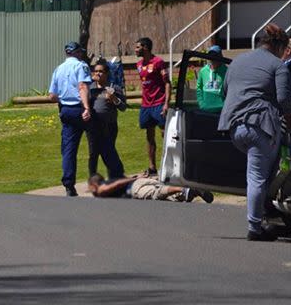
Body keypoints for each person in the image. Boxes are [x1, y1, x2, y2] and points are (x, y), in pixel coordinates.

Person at [218, 23, 291, 242]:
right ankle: (255, 226)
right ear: (278, 46)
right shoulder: (278, 66)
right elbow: (282, 100)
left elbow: (225, 91)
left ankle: (264, 214)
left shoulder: (238, 61)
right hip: (261, 126)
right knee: (258, 177)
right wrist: (290, 117)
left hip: (234, 127)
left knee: (257, 174)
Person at [49, 41, 92, 197]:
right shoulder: (81, 66)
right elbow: (83, 86)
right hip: (80, 108)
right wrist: (87, 107)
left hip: (66, 110)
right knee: (98, 143)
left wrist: (63, 101)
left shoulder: (58, 69)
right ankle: (109, 177)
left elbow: (52, 96)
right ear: (77, 53)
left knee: (68, 149)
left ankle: (69, 185)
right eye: (80, 52)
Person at [135, 37, 170, 177]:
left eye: (138, 47)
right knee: (149, 136)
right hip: (145, 106)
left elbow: (167, 83)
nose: (135, 50)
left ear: (146, 48)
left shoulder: (158, 62)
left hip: (159, 103)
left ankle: (169, 165)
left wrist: (166, 103)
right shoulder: (138, 65)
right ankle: (152, 167)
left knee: (166, 134)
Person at [87, 59, 126, 179]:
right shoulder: (89, 89)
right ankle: (93, 178)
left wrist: (114, 99)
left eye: (101, 71)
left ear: (107, 73)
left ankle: (114, 176)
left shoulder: (113, 88)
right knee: (93, 153)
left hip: (109, 125)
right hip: (93, 126)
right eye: (96, 71)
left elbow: (123, 107)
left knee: (109, 150)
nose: (97, 73)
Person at [87, 174, 214, 203]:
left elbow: (117, 185)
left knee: (155, 193)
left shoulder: (101, 189)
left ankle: (184, 190)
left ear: (94, 184)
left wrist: (131, 179)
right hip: (138, 181)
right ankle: (191, 190)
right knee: (167, 194)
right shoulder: (111, 179)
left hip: (134, 188)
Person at [196, 45, 228, 112]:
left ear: (220, 56)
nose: (212, 58)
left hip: (221, 109)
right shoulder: (203, 71)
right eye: (211, 55)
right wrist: (201, 104)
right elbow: (199, 88)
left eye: (215, 55)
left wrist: (225, 105)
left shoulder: (226, 71)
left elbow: (230, 89)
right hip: (205, 109)